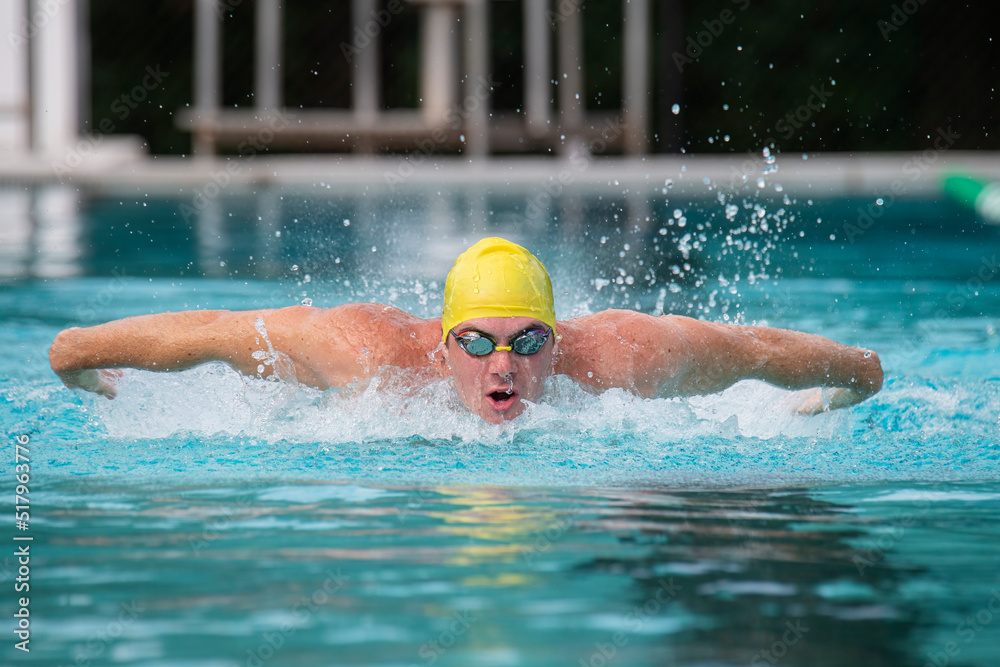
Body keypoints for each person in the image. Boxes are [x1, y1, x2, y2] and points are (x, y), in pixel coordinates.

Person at [49, 237, 883, 423]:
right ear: (443, 343)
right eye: (479, 341)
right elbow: (207, 331)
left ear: (558, 340)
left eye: (528, 340)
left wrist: (855, 377)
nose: (505, 363)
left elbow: (761, 352)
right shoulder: (368, 352)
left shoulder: (623, 356)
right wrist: (77, 356)